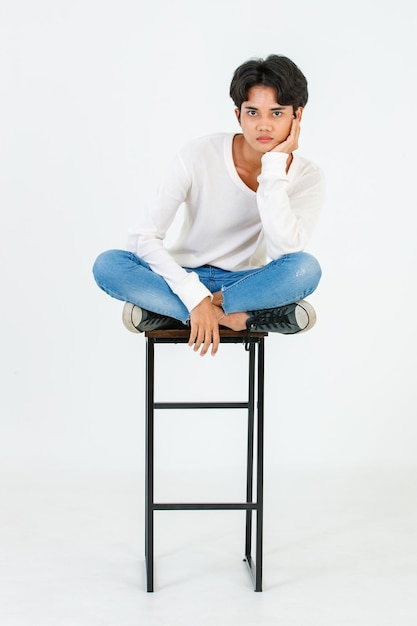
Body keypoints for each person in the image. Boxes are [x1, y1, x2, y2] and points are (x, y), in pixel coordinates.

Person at [93, 54, 325, 356]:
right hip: (184, 273)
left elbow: (284, 253)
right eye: (253, 112)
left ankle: (171, 313)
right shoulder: (198, 154)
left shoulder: (308, 176)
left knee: (306, 269)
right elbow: (143, 237)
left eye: (277, 113)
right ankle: (232, 319)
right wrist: (193, 294)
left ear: (298, 116)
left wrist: (274, 167)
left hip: (244, 283)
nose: (264, 125)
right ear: (237, 115)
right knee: (109, 264)